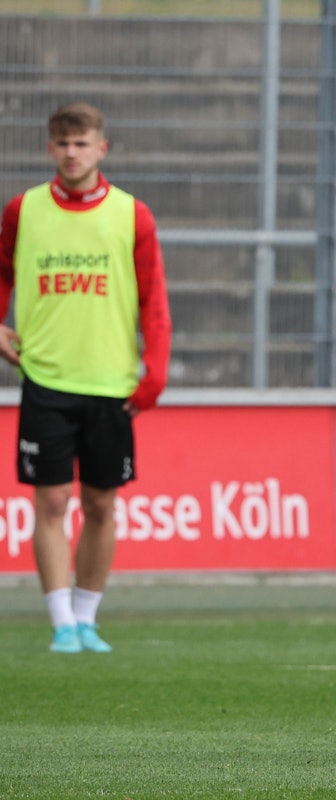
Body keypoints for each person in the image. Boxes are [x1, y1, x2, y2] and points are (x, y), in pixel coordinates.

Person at [0, 103, 172, 654]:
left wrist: (154, 373)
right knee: (51, 503)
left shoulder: (132, 214)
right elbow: (2, 273)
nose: (72, 153)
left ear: (102, 149)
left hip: (110, 383)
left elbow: (154, 299)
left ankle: (86, 616)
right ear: (50, 149)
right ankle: (61, 624)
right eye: (63, 143)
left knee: (100, 506)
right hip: (45, 379)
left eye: (82, 143)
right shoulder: (23, 210)